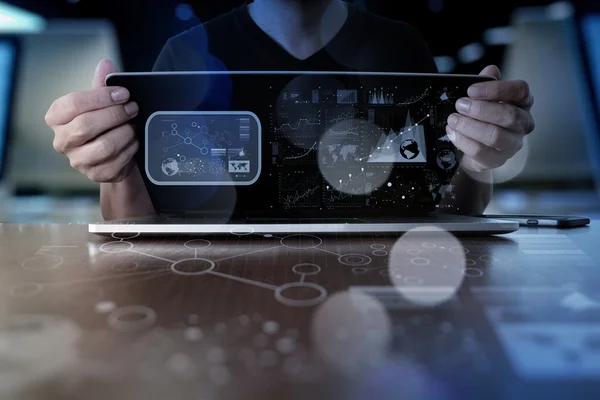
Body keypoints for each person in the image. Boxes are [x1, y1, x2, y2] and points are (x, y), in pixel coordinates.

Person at [44, 0, 535, 220]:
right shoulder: (184, 54)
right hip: (217, 283)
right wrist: (117, 168)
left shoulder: (402, 48)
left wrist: (478, 160)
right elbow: (135, 220)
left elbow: (451, 209)